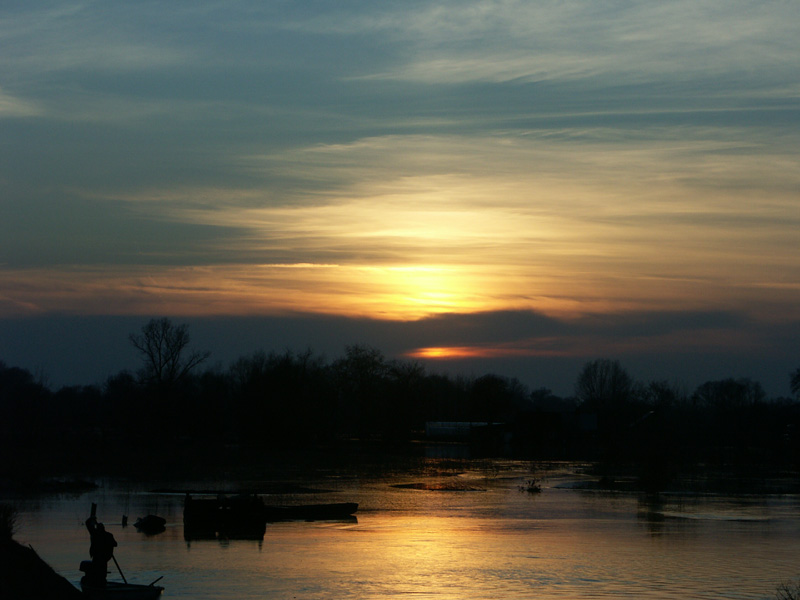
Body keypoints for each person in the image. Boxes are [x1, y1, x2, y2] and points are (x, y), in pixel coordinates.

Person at [85, 515, 117, 586]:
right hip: (104, 557)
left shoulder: (96, 534)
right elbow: (115, 544)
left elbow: (115, 544)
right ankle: (100, 583)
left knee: (98, 572)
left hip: (100, 557)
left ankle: (100, 584)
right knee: (101, 573)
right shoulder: (108, 535)